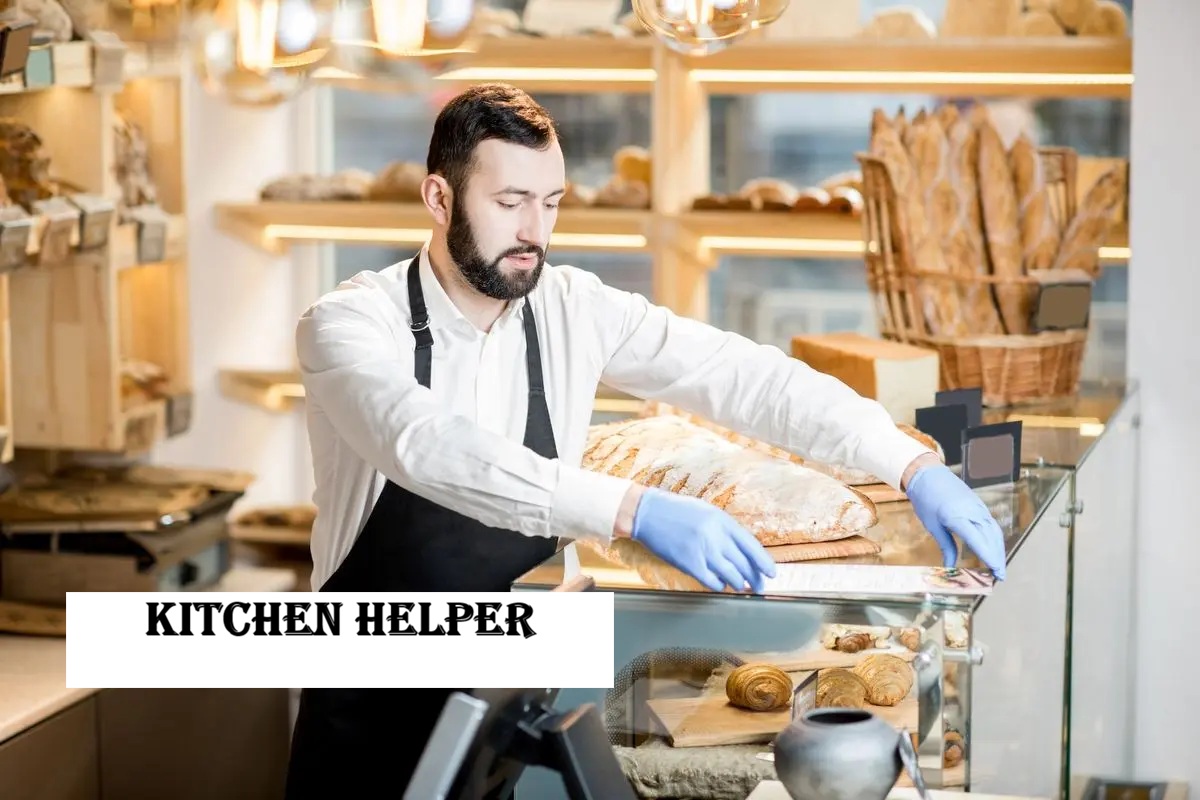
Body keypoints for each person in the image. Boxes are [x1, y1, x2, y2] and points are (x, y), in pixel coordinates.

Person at [284, 83, 1007, 798]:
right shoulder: (349, 325)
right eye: (510, 203)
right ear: (440, 199)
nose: (535, 230)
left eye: (551, 202)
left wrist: (907, 462)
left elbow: (742, 376)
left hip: (513, 698)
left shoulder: (572, 308)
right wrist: (634, 509)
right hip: (371, 707)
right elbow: (426, 446)